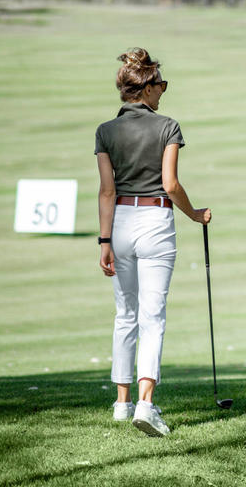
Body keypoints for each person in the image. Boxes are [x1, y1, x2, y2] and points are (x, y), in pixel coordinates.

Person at [95, 48, 212, 437]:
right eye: (160, 84)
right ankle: (145, 405)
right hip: (156, 220)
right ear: (145, 88)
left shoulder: (105, 131)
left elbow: (107, 191)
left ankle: (122, 402)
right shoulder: (168, 127)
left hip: (121, 223)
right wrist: (195, 214)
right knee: (152, 316)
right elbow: (171, 184)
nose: (163, 90)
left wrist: (104, 240)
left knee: (124, 315)